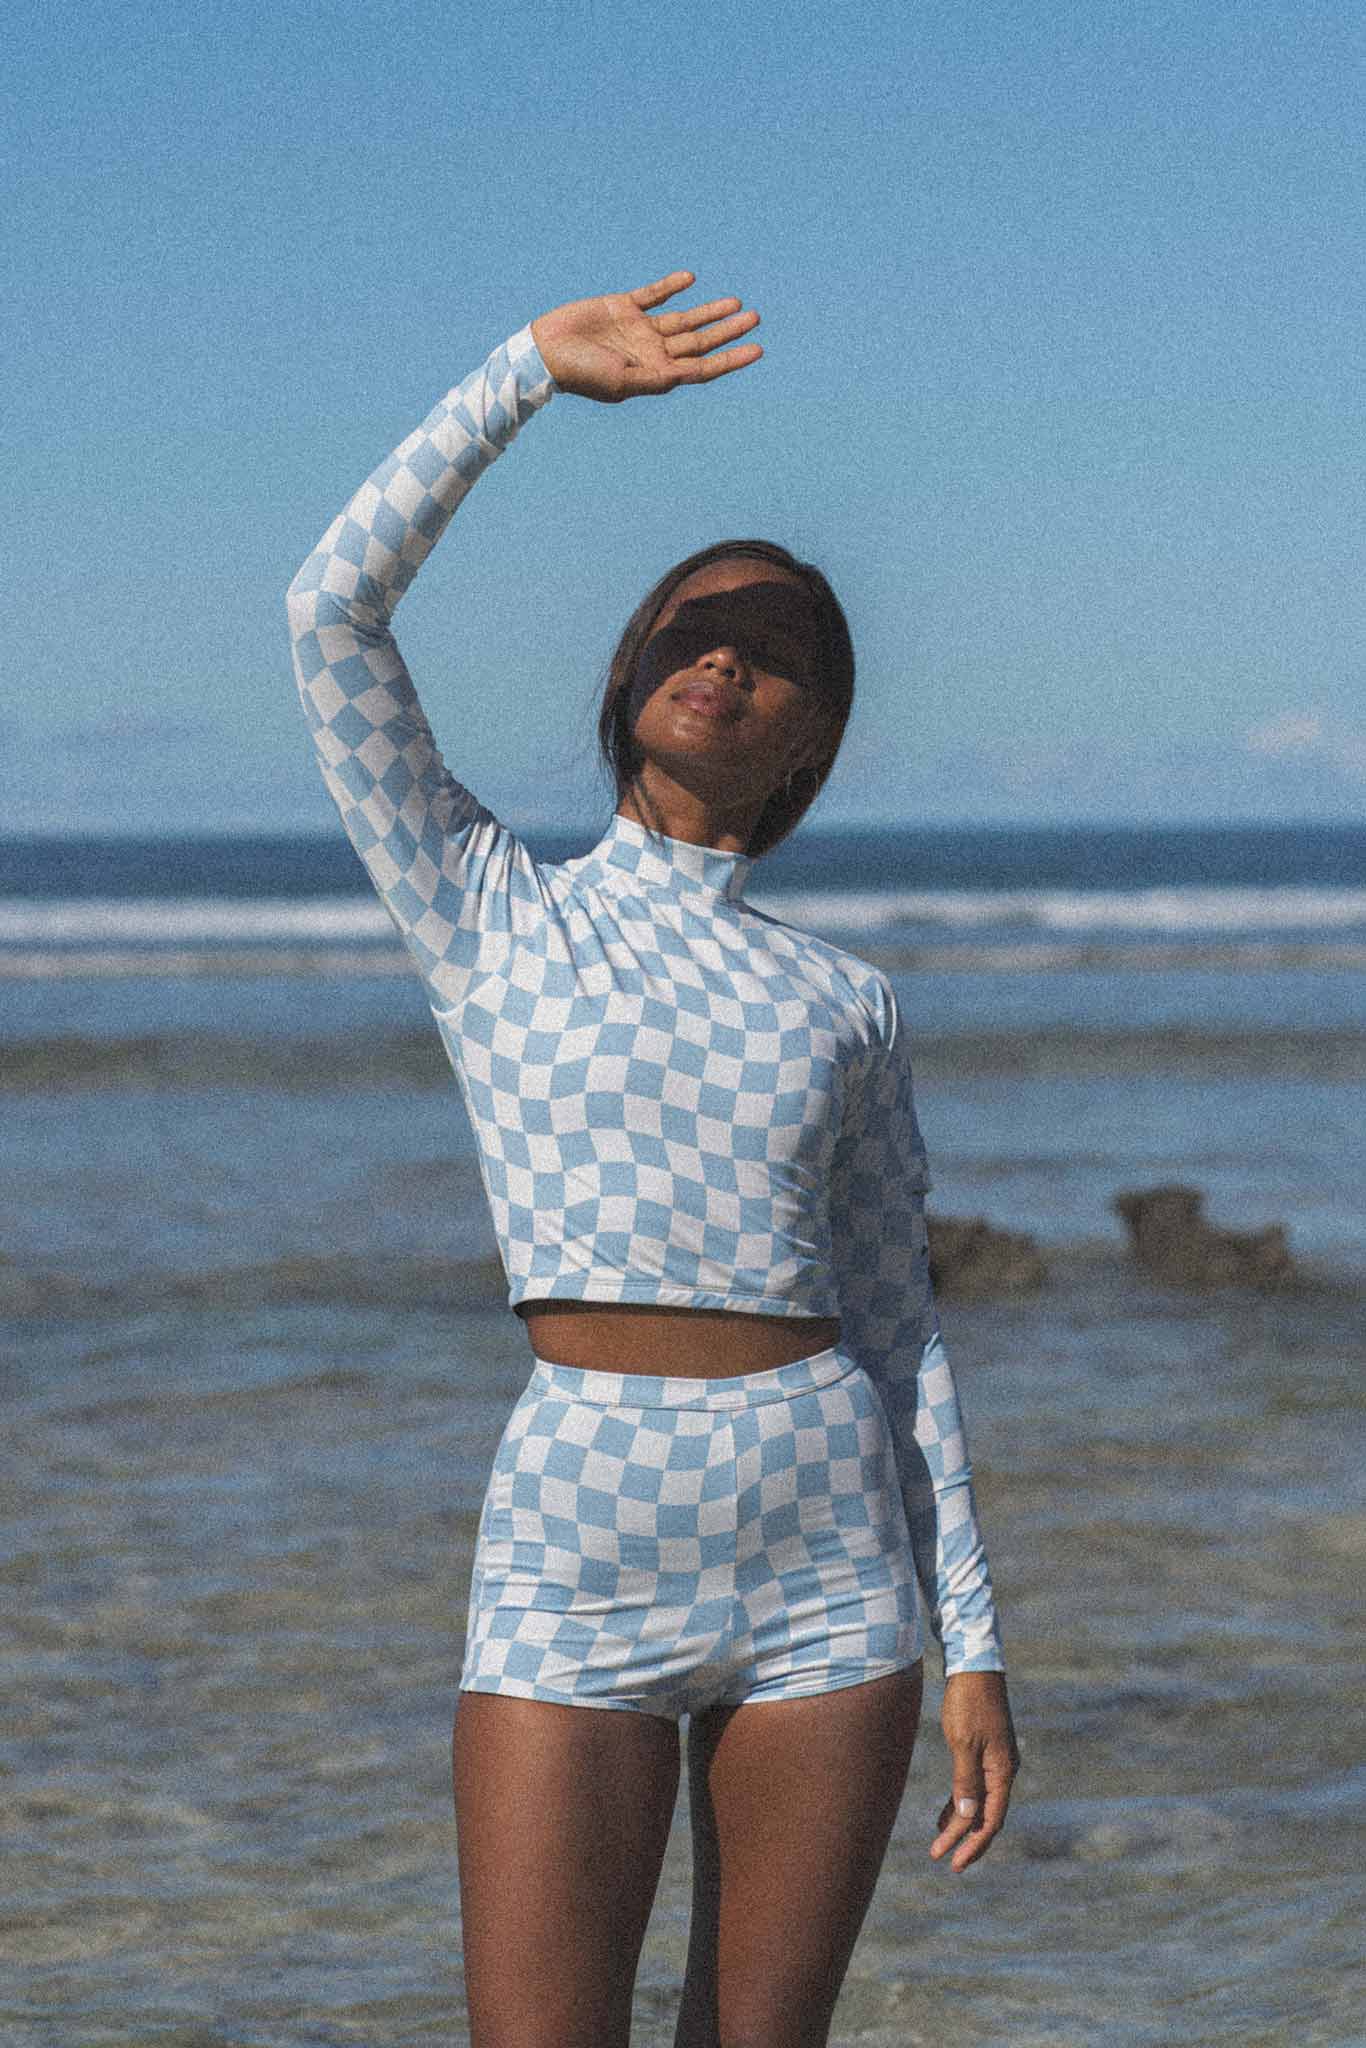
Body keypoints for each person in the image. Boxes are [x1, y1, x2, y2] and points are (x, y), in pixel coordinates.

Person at [287, 271, 1018, 2048]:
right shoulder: (486, 908)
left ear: (809, 737)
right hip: (573, 1542)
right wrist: (522, 376)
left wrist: (975, 1640)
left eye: (773, 650)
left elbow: (898, 1323)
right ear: (626, 678)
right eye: (695, 628)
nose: (725, 656)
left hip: (830, 1559)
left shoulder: (845, 1000)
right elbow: (328, 616)